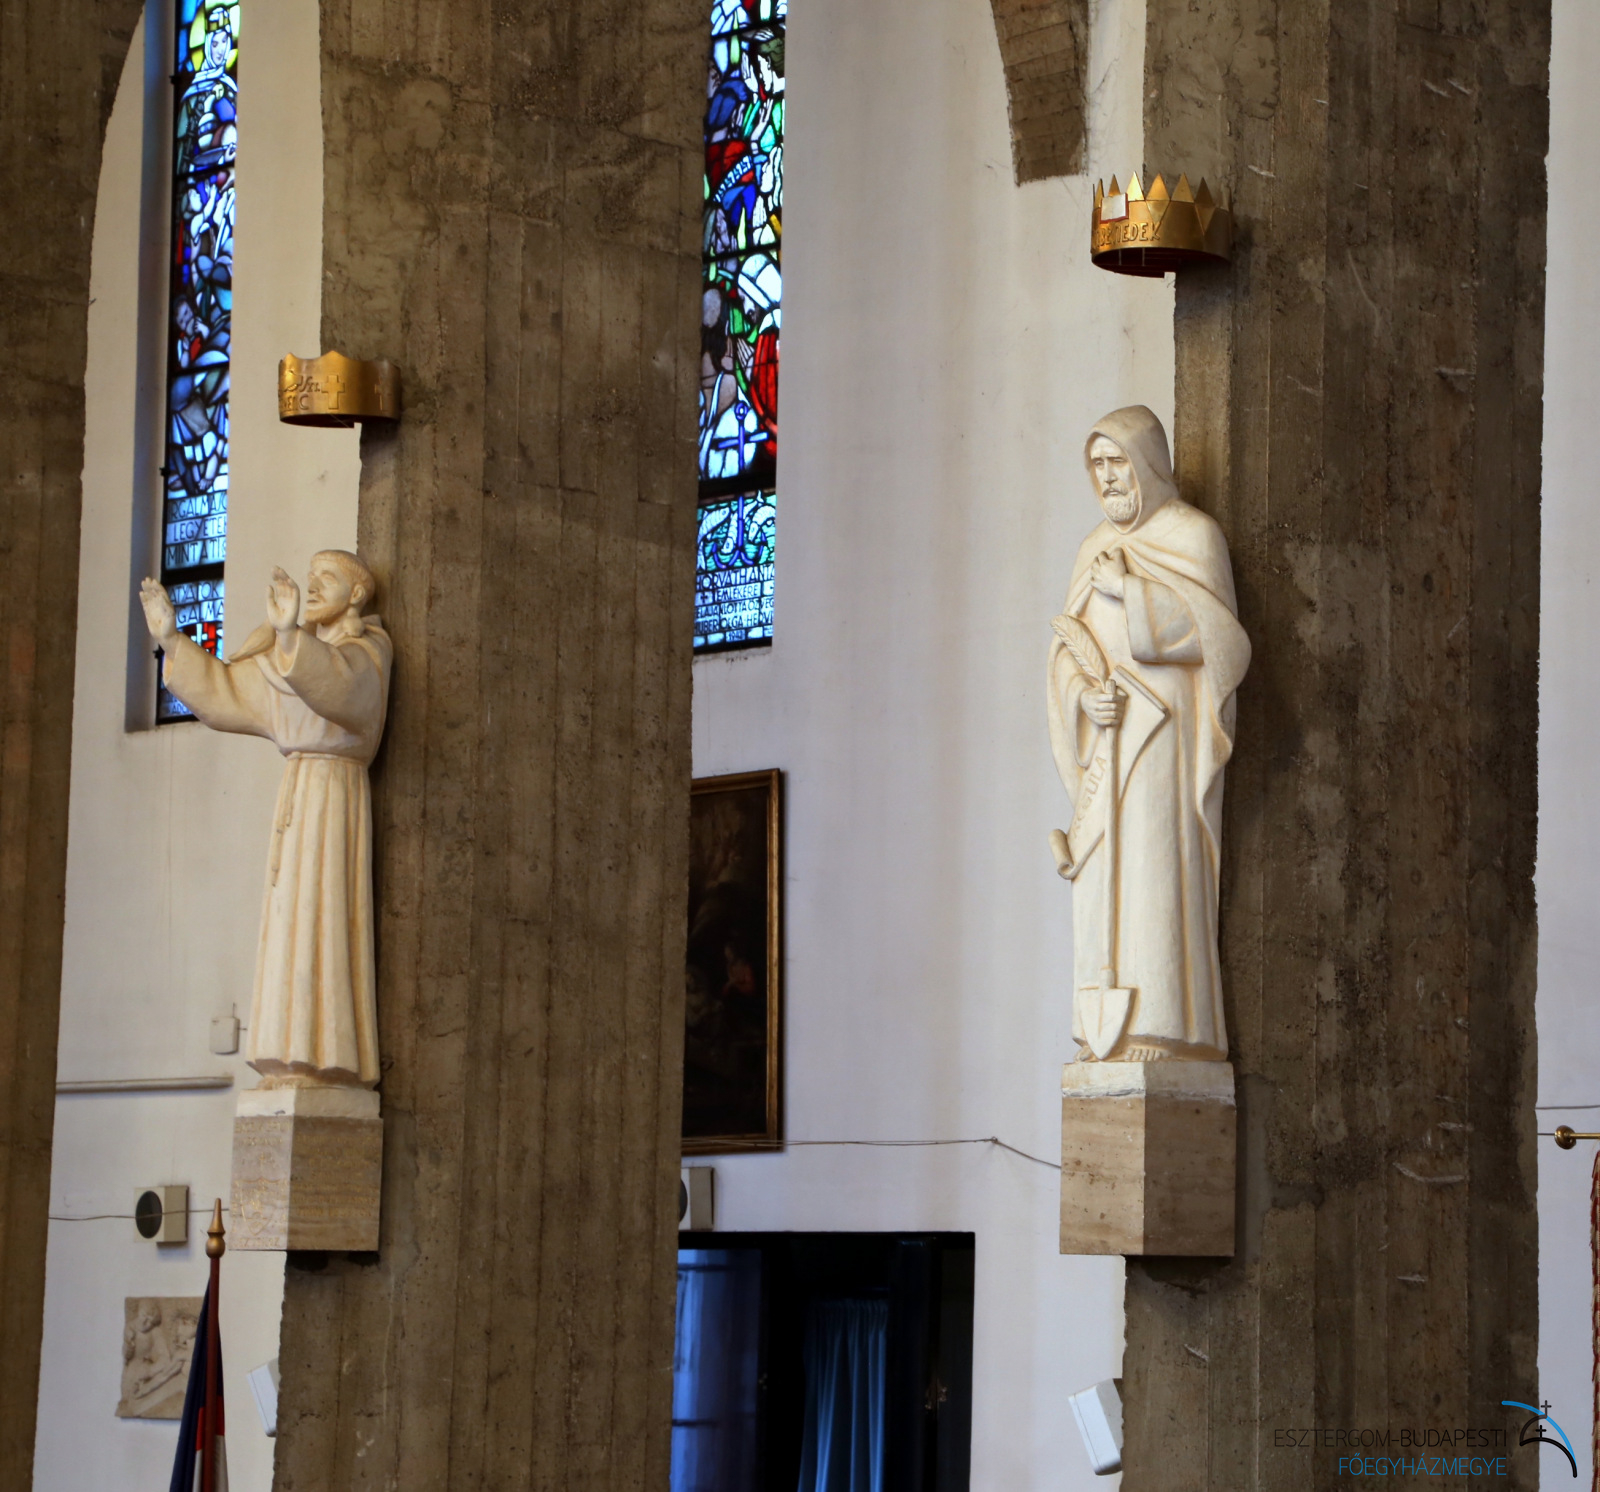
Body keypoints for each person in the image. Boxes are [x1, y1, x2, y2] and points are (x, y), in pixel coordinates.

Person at [140, 552, 392, 1087]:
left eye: (327, 579)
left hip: (333, 795)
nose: (313, 586)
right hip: (298, 792)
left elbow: (344, 693)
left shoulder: (368, 652)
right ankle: (287, 1048)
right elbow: (227, 691)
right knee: (287, 923)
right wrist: (172, 641)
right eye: (311, 577)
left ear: (355, 596)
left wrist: (289, 637)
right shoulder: (287, 655)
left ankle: (328, 1055)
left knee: (323, 917)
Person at [1047, 406, 1250, 1061]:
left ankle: (1164, 1027)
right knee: (1103, 880)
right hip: (1109, 744)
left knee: (1155, 872)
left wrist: (1129, 590)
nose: (1108, 477)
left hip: (1166, 743)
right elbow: (1065, 656)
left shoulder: (1193, 536)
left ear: (1149, 463)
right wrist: (1085, 701)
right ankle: (1103, 1033)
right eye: (1097, 465)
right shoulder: (1091, 550)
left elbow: (1223, 643)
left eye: (1118, 462)